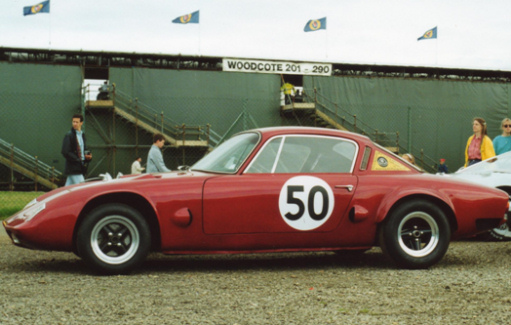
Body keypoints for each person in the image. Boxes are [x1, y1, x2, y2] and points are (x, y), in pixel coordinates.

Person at [61, 113, 92, 186]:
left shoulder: (82, 135)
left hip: (79, 167)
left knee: (68, 189)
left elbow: (83, 150)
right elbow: (65, 152)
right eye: (73, 122)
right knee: (83, 187)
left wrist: (87, 157)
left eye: (77, 122)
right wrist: (77, 159)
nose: (74, 124)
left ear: (81, 123)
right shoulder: (69, 135)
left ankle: (60, 197)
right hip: (74, 168)